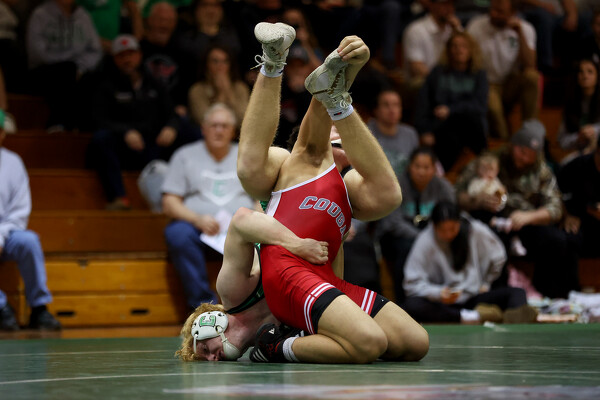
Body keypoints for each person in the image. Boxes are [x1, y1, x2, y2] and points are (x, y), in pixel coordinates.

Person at [236, 23, 429, 364]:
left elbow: (388, 194)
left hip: (324, 282)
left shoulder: (347, 185)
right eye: (335, 129)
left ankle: (337, 98)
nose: (341, 136)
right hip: (287, 273)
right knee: (370, 342)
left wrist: (346, 71)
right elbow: (306, 146)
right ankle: (275, 346)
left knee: (414, 343)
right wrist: (346, 70)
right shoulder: (289, 162)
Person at [176, 206, 328, 361]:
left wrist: (296, 244)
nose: (212, 359)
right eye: (207, 359)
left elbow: (240, 221)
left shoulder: (233, 292)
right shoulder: (270, 345)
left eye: (206, 349)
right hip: (329, 266)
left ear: (208, 324)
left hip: (307, 217)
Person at [455, 119, 580, 299]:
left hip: (527, 222)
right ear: (513, 145)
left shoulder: (541, 169)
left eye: (531, 154)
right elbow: (457, 194)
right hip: (492, 221)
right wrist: (477, 200)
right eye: (522, 151)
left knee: (558, 240)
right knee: (491, 239)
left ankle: (546, 297)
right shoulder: (490, 160)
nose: (525, 158)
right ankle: (496, 296)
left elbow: (555, 207)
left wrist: (529, 217)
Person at [162, 103, 254, 310]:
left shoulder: (247, 156)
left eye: (224, 126)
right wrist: (197, 219)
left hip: (241, 228)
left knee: (267, 234)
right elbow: (170, 202)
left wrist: (247, 221)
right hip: (197, 228)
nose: (219, 130)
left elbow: (261, 198)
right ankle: (204, 308)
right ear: (203, 128)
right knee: (177, 234)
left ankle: (250, 308)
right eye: (214, 125)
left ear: (233, 131)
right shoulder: (184, 155)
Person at [87, 34, 189, 210]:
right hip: (123, 146)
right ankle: (118, 197)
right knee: (100, 139)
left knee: (188, 131)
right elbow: (98, 119)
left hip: (154, 143)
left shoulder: (154, 83)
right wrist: (125, 131)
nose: (127, 59)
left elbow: (171, 113)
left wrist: (171, 127)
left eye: (131, 54)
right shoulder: (105, 86)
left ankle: (187, 196)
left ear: (140, 55)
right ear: (114, 59)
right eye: (122, 55)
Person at [402, 201, 537, 324]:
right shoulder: (424, 241)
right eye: (442, 230)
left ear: (459, 223)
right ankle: (472, 317)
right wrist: (437, 293)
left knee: (517, 293)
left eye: (452, 229)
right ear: (434, 226)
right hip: (443, 304)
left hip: (474, 298)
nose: (448, 234)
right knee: (411, 305)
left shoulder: (474, 229)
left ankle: (511, 325)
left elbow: (499, 255)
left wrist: (486, 283)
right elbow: (411, 284)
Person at [0, 108, 62, 331]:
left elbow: (19, 211)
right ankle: (1, 308)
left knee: (29, 241)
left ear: (2, 133)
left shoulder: (13, 163)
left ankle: (39, 308)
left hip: (7, 231)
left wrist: (0, 236)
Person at [377, 147, 456, 303]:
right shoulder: (396, 185)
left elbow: (451, 215)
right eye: (417, 166)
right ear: (409, 166)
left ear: (434, 169)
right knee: (407, 248)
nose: (421, 172)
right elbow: (393, 222)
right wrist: (421, 238)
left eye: (426, 167)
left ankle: (446, 296)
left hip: (434, 235)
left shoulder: (443, 187)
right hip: (398, 237)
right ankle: (403, 303)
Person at [415, 31, 488, 171]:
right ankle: (443, 172)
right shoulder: (438, 73)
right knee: (449, 134)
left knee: (468, 120)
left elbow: (480, 106)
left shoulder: (479, 74)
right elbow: (423, 103)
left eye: (463, 46)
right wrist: (424, 130)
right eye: (454, 46)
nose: (459, 50)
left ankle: (483, 167)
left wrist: (451, 109)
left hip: (470, 126)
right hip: (442, 126)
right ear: (448, 50)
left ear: (471, 50)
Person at [467, 0, 539, 139]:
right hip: (488, 83)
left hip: (511, 82)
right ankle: (505, 141)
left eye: (500, 12)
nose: (494, 14)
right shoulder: (476, 26)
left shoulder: (526, 29)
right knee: (494, 109)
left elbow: (530, 64)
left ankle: (530, 133)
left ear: (513, 13)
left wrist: (519, 34)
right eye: (492, 9)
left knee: (532, 76)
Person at [27, 0, 103, 131]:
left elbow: (96, 50)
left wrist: (80, 68)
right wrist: (66, 63)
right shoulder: (40, 15)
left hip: (78, 70)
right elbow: (36, 53)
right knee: (66, 71)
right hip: (45, 70)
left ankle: (86, 129)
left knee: (94, 77)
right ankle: (57, 124)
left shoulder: (83, 16)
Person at [558, 135, 600, 258]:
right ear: (597, 150)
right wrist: (566, 214)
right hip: (578, 218)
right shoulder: (578, 165)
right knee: (569, 239)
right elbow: (555, 191)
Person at [188, 45, 249, 128]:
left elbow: (245, 120)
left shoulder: (240, 87)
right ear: (206, 65)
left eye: (225, 61)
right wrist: (221, 95)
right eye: (215, 61)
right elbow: (205, 120)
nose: (220, 66)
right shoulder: (197, 90)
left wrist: (229, 93)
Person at [367, 89, 419, 178]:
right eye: (386, 105)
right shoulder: (365, 133)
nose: (392, 110)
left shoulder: (410, 134)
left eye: (396, 105)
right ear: (376, 110)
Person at [557, 59, 600, 163]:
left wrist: (594, 130)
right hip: (580, 153)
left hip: (598, 151)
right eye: (581, 72)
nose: (585, 76)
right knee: (565, 163)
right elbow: (562, 141)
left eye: (590, 72)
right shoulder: (570, 103)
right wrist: (578, 137)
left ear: (598, 76)